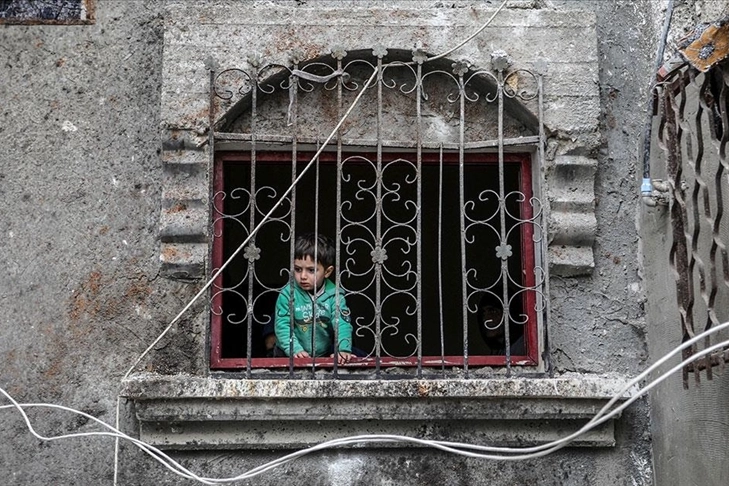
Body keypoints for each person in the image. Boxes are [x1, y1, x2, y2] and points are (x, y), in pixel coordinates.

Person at [274, 233, 353, 364]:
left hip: (322, 353)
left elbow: (342, 324)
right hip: (286, 354)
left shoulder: (334, 296)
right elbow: (282, 326)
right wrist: (295, 349)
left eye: (311, 270)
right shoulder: (288, 294)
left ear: (327, 272)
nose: (303, 276)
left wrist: (343, 349)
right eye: (298, 269)